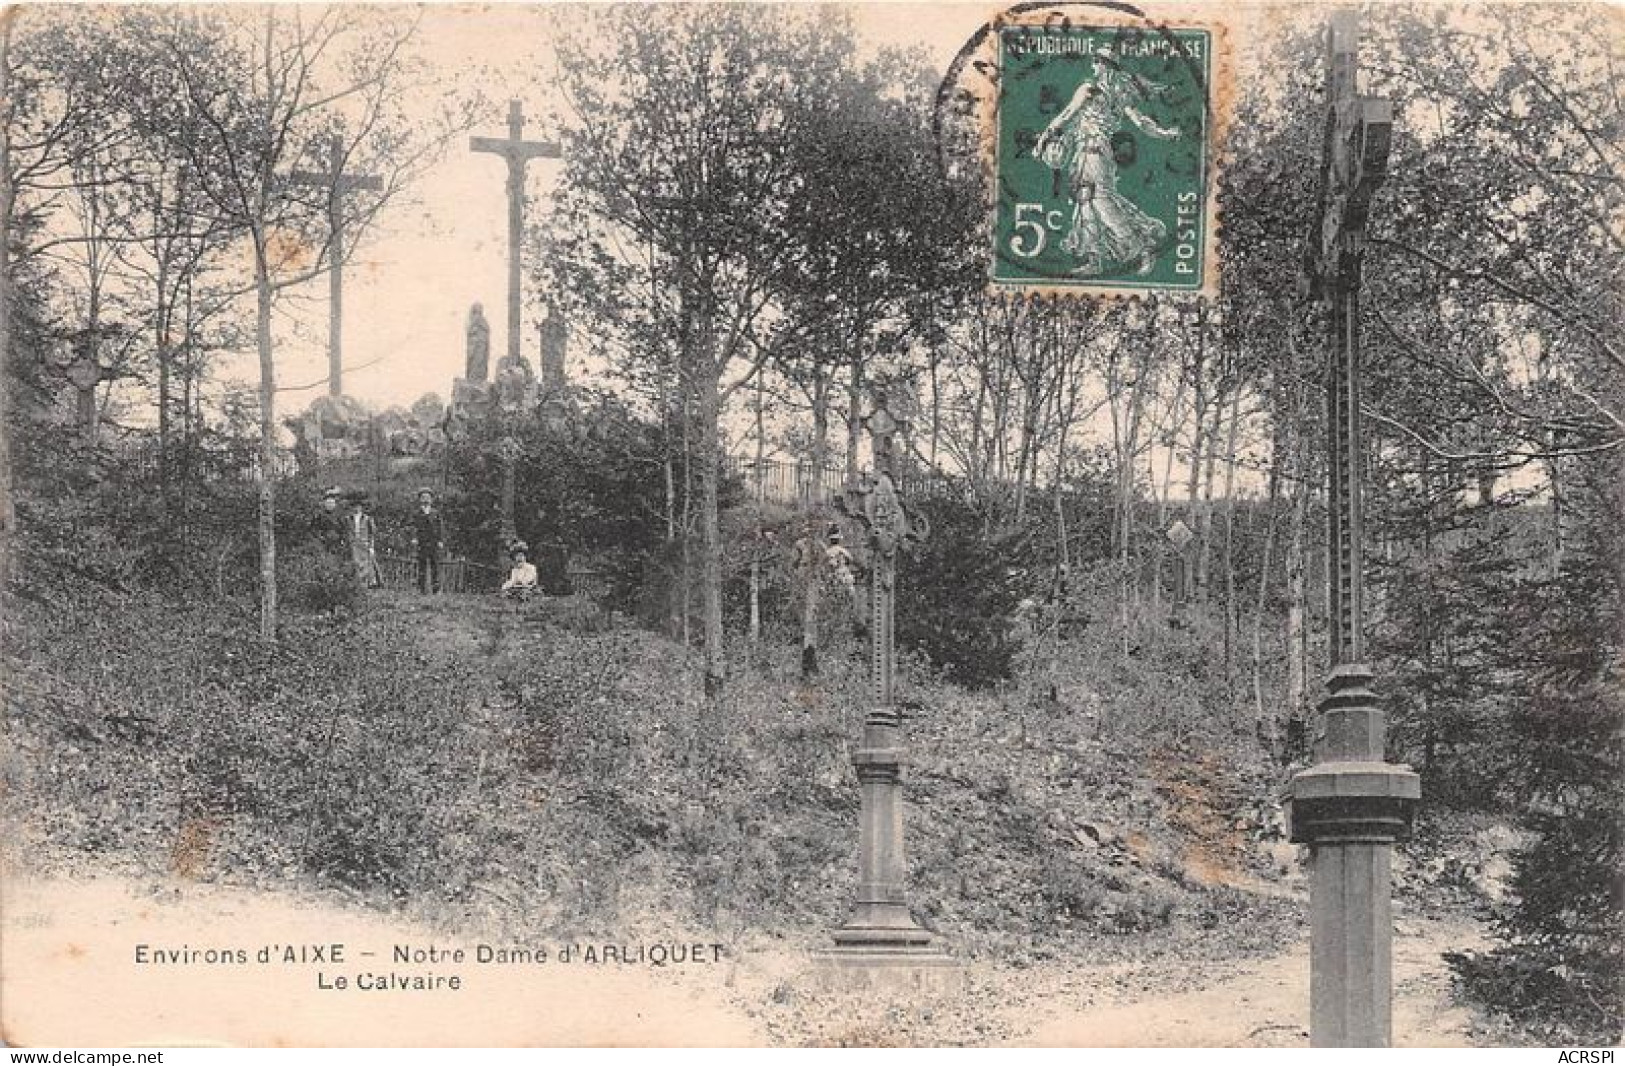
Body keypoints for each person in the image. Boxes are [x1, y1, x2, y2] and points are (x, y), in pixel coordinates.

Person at [1032, 58, 1182, 276]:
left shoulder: (1093, 90)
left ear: (1106, 67)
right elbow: (1141, 122)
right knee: (1085, 204)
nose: (1094, 67)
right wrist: (1165, 134)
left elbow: (1066, 115)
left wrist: (1042, 139)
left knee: (1101, 200)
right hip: (1086, 153)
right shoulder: (1117, 94)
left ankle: (1140, 247)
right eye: (1095, 63)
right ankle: (1095, 260)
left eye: (1098, 63)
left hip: (1095, 154)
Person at [411, 488, 445, 593]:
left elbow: (440, 527)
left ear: (431, 499)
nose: (426, 500)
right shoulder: (416, 513)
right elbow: (413, 527)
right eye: (423, 497)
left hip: (434, 542)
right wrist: (414, 538)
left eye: (428, 497)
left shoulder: (435, 512)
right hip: (422, 542)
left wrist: (440, 540)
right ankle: (422, 589)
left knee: (435, 565)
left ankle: (436, 589)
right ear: (420, 499)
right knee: (422, 565)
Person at [349, 496, 382, 589]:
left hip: (364, 544)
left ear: (361, 507)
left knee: (367, 565)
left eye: (358, 506)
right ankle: (358, 585)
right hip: (353, 544)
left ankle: (368, 585)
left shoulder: (367, 518)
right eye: (354, 506)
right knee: (356, 564)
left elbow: (372, 534)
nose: (356, 508)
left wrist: (371, 547)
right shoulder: (348, 518)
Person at [313, 486, 347, 553]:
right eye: (328, 503)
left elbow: (343, 527)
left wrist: (342, 539)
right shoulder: (320, 515)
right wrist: (320, 537)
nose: (330, 505)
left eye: (331, 503)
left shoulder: (340, 513)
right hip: (324, 541)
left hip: (337, 541)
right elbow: (315, 528)